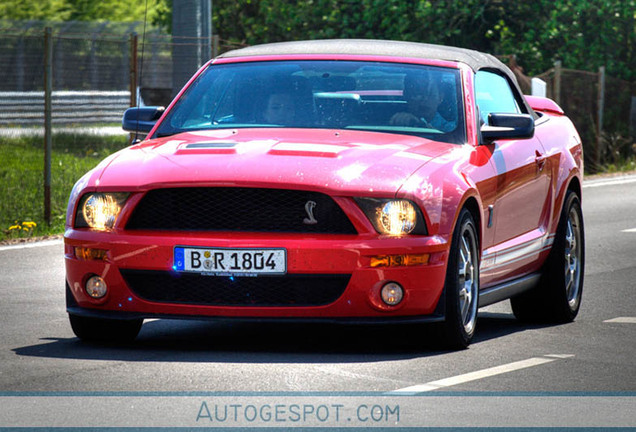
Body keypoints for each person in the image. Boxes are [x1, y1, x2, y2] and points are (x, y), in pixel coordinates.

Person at [390, 72, 456, 132]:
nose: (424, 100)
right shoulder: (390, 124)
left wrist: (425, 128)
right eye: (417, 93)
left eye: (429, 94)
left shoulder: (453, 130)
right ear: (406, 95)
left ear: (440, 97)